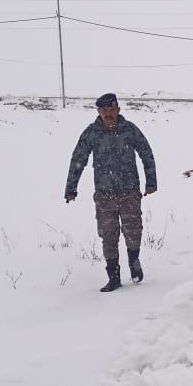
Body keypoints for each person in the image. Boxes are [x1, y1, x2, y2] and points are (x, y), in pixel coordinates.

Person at [65, 93, 157, 292]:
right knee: (109, 236)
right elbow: (78, 159)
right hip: (104, 195)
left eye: (111, 110)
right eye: (104, 111)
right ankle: (113, 277)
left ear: (118, 110)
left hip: (129, 192)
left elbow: (146, 153)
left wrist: (151, 182)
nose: (108, 114)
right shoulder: (92, 133)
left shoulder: (130, 130)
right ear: (99, 112)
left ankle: (134, 260)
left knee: (133, 232)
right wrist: (71, 187)